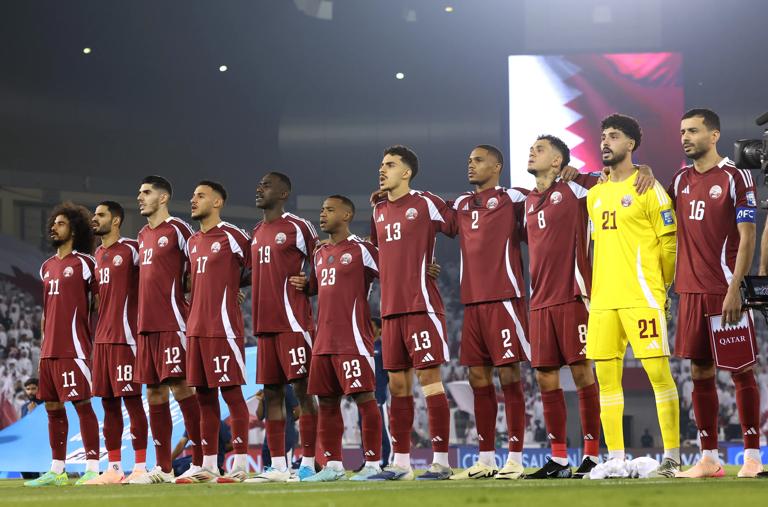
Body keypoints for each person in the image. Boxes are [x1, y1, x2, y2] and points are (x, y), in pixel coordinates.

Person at [523, 138, 654, 479]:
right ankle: (559, 459)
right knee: (544, 377)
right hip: (540, 301)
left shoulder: (578, 187)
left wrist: (645, 169)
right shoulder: (527, 201)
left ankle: (592, 456)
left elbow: (622, 174)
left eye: (540, 148)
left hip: (574, 295)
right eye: (532, 148)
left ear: (558, 161)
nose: (532, 152)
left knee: (582, 373)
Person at [668, 109, 763, 478]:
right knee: (699, 371)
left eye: (693, 131)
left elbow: (748, 236)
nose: (685, 138)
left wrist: (736, 288)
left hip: (724, 289)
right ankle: (708, 457)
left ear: (714, 135)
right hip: (690, 292)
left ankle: (752, 456)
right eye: (682, 132)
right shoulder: (679, 179)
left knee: (741, 370)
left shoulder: (735, 176)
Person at [586, 113, 680, 478]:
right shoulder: (595, 195)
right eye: (603, 136)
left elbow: (668, 243)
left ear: (630, 144)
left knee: (658, 374)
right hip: (603, 301)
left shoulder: (648, 188)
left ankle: (672, 457)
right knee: (607, 381)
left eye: (613, 136)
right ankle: (616, 459)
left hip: (641, 296)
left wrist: (662, 288)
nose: (605, 142)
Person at [367, 146, 454, 481]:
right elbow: (380, 253)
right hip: (390, 310)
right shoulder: (378, 209)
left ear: (406, 173)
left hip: (421, 306)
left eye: (390, 165)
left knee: (430, 382)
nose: (382, 169)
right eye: (381, 164)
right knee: (397, 386)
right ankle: (401, 464)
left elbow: (457, 224)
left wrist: (429, 262)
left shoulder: (425, 202)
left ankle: (441, 462)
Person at [288, 195, 384, 481]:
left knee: (364, 398)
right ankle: (333, 466)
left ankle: (373, 463)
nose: (323, 214)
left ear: (347, 215)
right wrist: (305, 286)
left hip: (352, 337)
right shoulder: (319, 253)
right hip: (323, 340)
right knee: (327, 402)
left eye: (330, 210)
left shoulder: (363, 249)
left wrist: (422, 269)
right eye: (322, 210)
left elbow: (392, 270)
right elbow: (317, 287)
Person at [247, 172, 318, 483]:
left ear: (283, 193)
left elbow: (325, 257)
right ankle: (278, 466)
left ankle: (310, 463)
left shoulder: (298, 227)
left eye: (266, 185)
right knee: (272, 394)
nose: (259, 188)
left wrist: (312, 284)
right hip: (264, 326)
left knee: (303, 392)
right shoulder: (256, 231)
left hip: (293, 323)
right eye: (259, 184)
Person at [131, 175, 203, 484]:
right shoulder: (142, 235)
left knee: (182, 387)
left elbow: (200, 266)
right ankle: (163, 467)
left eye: (146, 192)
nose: (140, 197)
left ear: (163, 198)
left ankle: (202, 462)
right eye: (139, 192)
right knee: (154, 391)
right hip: (146, 326)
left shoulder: (179, 229)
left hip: (173, 322)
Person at [24, 203, 101, 487]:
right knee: (53, 408)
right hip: (50, 351)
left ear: (75, 229)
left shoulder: (86, 263)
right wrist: (42, 350)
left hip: (74, 348)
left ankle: (93, 468)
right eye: (53, 223)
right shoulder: (46, 267)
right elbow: (47, 312)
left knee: (82, 404)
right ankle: (57, 469)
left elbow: (100, 303)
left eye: (61, 223)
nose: (54, 228)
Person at [181, 181, 253, 483]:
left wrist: (236, 285)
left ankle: (240, 465)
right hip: (195, 328)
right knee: (204, 397)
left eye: (200, 195)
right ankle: (209, 465)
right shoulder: (192, 241)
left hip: (223, 327)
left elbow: (259, 268)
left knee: (232, 394)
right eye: (193, 195)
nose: (193, 199)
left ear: (217, 202)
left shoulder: (234, 236)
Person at [85, 201, 149, 484]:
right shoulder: (97, 255)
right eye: (94, 214)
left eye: (100, 215)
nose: (94, 219)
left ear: (116, 220)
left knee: (132, 401)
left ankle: (140, 467)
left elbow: (157, 278)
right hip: (102, 340)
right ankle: (114, 468)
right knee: (108, 404)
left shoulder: (133, 248)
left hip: (126, 338)